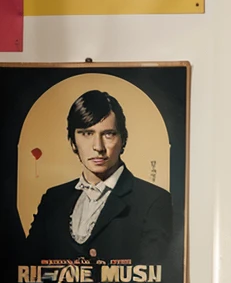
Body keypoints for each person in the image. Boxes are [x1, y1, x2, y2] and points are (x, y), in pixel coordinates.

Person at [25, 89, 173, 266]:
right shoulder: (53, 198)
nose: (98, 147)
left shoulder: (153, 199)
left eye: (108, 134)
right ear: (73, 141)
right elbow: (28, 269)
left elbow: (153, 280)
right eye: (87, 133)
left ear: (123, 140)